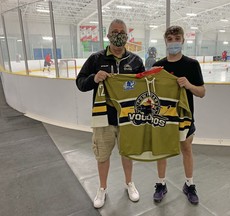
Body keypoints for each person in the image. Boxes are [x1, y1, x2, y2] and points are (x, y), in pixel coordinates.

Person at [76, 19, 145, 208]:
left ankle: (129, 183)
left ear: (127, 35)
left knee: (127, 153)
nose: (118, 34)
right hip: (103, 118)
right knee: (102, 155)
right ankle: (102, 188)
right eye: (114, 31)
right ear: (108, 35)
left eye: (122, 31)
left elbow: (144, 88)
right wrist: (93, 78)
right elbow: (80, 83)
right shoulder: (95, 59)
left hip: (128, 118)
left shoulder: (136, 61)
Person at [152, 26, 205, 205]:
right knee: (162, 151)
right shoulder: (157, 66)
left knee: (187, 149)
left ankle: (189, 185)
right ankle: (161, 184)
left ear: (182, 40)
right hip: (164, 117)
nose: (173, 41)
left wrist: (189, 85)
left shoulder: (191, 65)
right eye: (170, 38)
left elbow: (202, 92)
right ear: (165, 41)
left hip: (185, 117)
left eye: (177, 38)